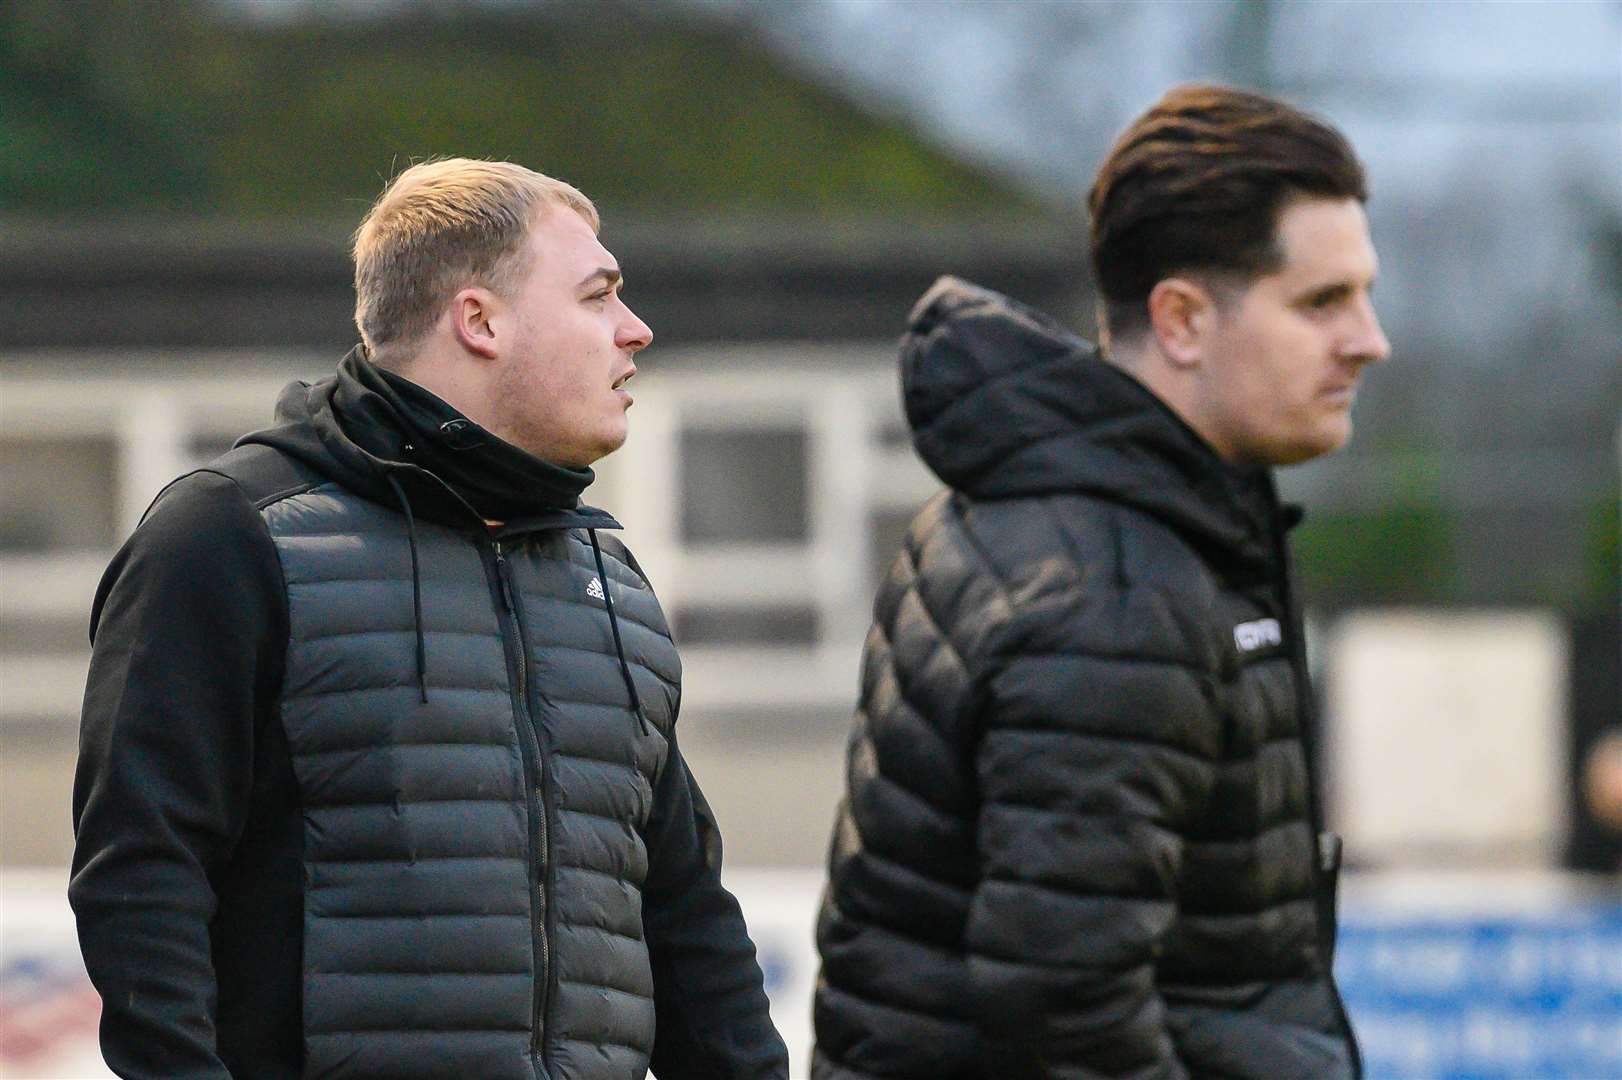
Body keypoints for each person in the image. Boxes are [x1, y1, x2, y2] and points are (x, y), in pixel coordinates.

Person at [71, 158, 788, 1080]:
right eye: (599, 296)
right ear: (480, 321)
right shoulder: (226, 537)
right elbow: (141, 882)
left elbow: (684, 920)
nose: (635, 330)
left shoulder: (605, 575)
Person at [812, 84, 1389, 1079]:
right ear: (1179, 320)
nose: (1366, 340)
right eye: (1321, 302)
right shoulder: (1110, 590)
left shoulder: (1109, 530)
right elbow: (1065, 1012)